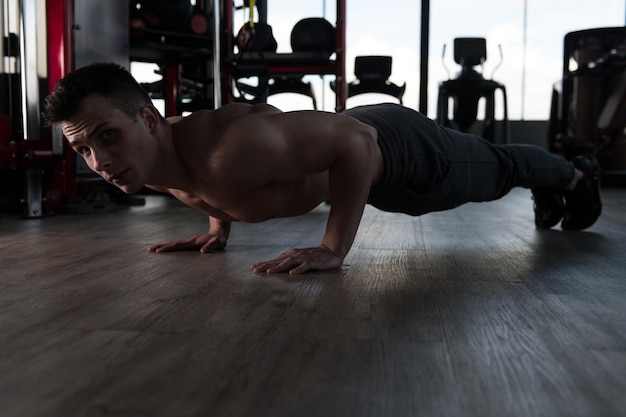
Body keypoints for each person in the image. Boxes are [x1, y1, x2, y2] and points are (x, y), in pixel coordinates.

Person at [43, 63, 602, 274]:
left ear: (148, 117)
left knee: (498, 169)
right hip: (371, 173)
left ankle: (576, 176)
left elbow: (356, 142)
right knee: (496, 172)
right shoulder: (154, 162)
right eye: (84, 151)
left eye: (107, 138)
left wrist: (334, 247)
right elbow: (211, 188)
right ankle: (556, 185)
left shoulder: (229, 148)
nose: (101, 163)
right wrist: (216, 228)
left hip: (399, 153)